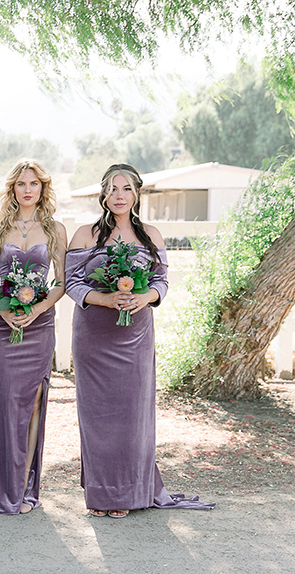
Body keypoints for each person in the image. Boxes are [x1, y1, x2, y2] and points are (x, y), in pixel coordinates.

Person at [64, 163, 214, 517]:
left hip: (135, 337)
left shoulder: (151, 235)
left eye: (126, 189)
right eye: (113, 189)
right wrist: (105, 299)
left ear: (137, 194)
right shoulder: (85, 235)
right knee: (97, 416)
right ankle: (101, 495)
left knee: (132, 417)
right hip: (94, 337)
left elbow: (161, 282)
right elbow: (71, 283)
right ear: (103, 193)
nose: (119, 195)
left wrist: (144, 298)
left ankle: (129, 493)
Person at [0, 159, 66, 514]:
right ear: (12, 189)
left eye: (34, 183)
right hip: (1, 326)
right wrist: (2, 309)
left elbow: (61, 282)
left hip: (39, 324)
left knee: (33, 402)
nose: (27, 189)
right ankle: (1, 485)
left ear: (42, 188)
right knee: (2, 403)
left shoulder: (56, 229)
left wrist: (37, 309)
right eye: (21, 184)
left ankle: (25, 488)